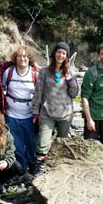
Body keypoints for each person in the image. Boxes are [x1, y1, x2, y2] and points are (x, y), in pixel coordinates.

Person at [32, 41, 79, 175]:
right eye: (59, 52)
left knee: (63, 143)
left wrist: (70, 79)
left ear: (67, 57)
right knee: (43, 143)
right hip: (47, 113)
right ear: (54, 54)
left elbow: (74, 93)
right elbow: (38, 93)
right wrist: (35, 112)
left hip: (65, 114)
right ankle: (39, 169)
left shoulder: (71, 72)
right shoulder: (44, 72)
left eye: (64, 53)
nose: (61, 55)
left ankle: (59, 169)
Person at [1, 46, 38, 174]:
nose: (22, 59)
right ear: (15, 59)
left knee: (31, 144)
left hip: (29, 115)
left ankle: (33, 167)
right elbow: (2, 90)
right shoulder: (9, 72)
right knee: (16, 144)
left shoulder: (34, 74)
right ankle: (21, 168)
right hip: (12, 115)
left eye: (25, 56)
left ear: (29, 59)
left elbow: (40, 95)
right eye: (19, 56)